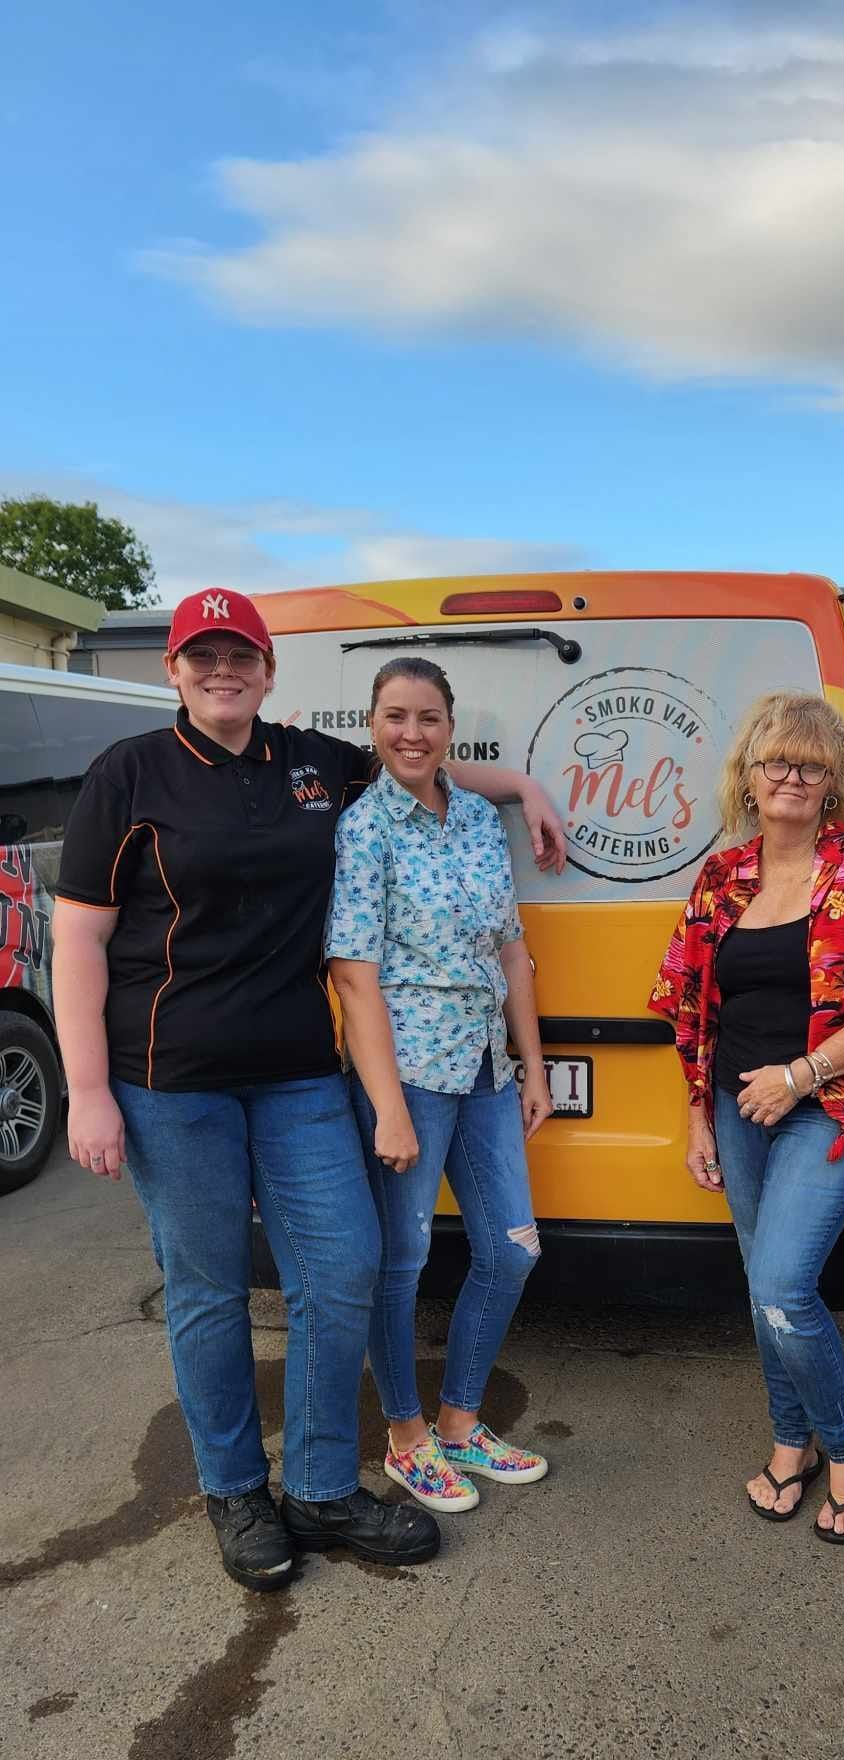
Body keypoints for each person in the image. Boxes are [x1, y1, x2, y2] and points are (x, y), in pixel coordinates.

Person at [51, 588, 565, 1591]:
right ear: (173, 668)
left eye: (239, 653)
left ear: (269, 668)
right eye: (202, 655)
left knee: (344, 1266)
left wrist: (525, 789)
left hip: (296, 1073)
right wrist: (85, 1090)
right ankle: (238, 1489)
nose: (222, 669)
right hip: (170, 1078)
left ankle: (324, 1487)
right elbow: (79, 936)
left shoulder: (309, 761)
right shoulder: (129, 774)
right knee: (206, 1289)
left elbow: (420, 766)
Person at [649, 691, 844, 1543]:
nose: (793, 777)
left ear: (832, 779)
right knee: (762, 1287)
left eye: (810, 764)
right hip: (739, 1109)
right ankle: (790, 1440)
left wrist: (801, 1074)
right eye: (778, 760)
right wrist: (701, 1116)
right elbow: (692, 1006)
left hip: (834, 1107)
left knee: (781, 1285)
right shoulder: (722, 876)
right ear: (750, 773)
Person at [326, 657, 553, 1513]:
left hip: (488, 1069)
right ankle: (406, 1437)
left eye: (427, 717)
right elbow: (354, 973)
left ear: (450, 727)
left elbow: (510, 950)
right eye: (395, 717)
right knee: (403, 1259)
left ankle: (461, 1423)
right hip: (409, 1075)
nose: (411, 733)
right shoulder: (365, 829)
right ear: (373, 726)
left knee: (512, 1249)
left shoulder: (474, 820)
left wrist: (530, 1064)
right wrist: (386, 1107)